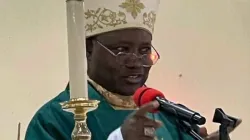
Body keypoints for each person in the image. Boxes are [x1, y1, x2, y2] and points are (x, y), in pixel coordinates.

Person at [25, 0, 242, 139]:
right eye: (122, 50)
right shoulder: (53, 121)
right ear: (89, 49)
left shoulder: (169, 116)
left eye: (144, 50)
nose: (135, 62)